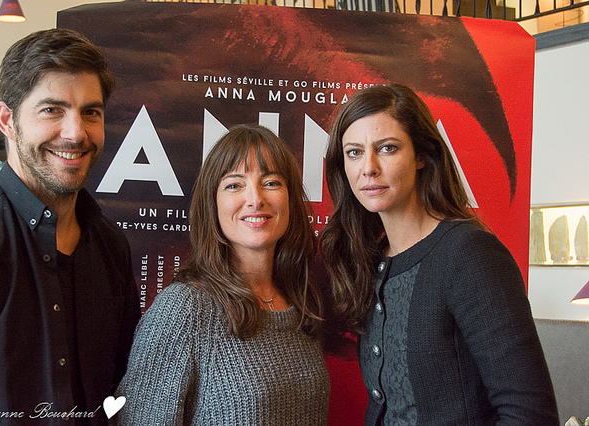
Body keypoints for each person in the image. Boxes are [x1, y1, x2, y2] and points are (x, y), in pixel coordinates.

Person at [319, 84, 558, 425]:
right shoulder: (371, 260)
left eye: (387, 148)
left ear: (421, 156)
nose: (368, 167)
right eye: (354, 152)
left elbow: (530, 414)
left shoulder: (469, 254)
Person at [0, 29, 140, 425]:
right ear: (7, 120)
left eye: (91, 112)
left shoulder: (111, 246)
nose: (76, 133)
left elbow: (125, 385)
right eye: (52, 110)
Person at [115, 124, 330, 425]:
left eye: (271, 183)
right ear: (212, 204)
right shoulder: (183, 309)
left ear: (291, 200)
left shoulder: (300, 300)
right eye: (234, 185)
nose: (255, 199)